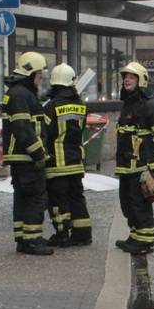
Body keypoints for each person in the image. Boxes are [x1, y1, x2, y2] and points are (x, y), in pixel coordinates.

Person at [115, 61, 154, 255]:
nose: (127, 80)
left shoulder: (150, 106)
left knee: (140, 203)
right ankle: (136, 236)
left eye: (131, 77)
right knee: (127, 203)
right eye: (125, 77)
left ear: (141, 80)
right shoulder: (127, 105)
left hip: (142, 166)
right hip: (126, 166)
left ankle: (146, 241)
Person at [2, 52, 53, 256]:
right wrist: (39, 154)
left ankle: (24, 238)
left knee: (23, 198)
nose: (40, 78)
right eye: (39, 74)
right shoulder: (21, 95)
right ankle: (32, 240)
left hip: (20, 157)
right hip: (27, 157)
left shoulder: (18, 93)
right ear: (31, 73)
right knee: (35, 198)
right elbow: (23, 129)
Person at [43, 63, 92, 248]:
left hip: (57, 163)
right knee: (77, 198)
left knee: (57, 200)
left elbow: (45, 133)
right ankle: (83, 233)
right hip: (76, 162)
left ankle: (62, 234)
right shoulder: (80, 105)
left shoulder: (51, 106)